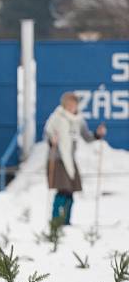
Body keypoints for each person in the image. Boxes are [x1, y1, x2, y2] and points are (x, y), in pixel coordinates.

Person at [43, 91, 106, 225]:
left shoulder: (79, 121)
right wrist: (51, 139)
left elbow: (87, 137)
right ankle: (55, 220)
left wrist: (97, 134)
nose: (72, 107)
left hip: (70, 160)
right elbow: (47, 133)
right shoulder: (56, 118)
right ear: (64, 105)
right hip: (58, 159)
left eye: (74, 104)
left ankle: (66, 220)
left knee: (70, 192)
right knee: (62, 190)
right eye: (69, 104)